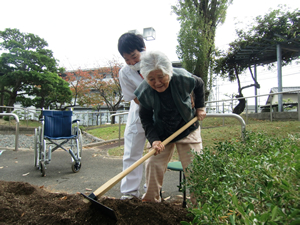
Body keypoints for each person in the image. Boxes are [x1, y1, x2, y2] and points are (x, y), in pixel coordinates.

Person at [134, 50, 206, 203]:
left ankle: (200, 207)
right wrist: (154, 140)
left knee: (195, 168)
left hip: (187, 127)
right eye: (151, 78)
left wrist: (200, 107)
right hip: (162, 133)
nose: (157, 82)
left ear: (169, 72)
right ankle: (150, 204)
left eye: (161, 77)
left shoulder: (183, 78)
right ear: (145, 78)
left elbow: (199, 84)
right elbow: (145, 119)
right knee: (152, 164)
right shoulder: (145, 91)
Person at [117, 32, 147, 199]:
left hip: (162, 113)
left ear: (143, 49)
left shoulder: (156, 61)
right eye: (127, 59)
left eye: (134, 56)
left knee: (156, 152)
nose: (131, 62)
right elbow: (134, 98)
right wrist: (149, 109)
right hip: (139, 112)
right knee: (131, 153)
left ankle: (151, 191)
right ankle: (129, 194)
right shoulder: (125, 72)